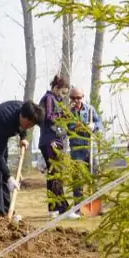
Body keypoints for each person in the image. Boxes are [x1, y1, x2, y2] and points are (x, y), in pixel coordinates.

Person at [0, 100, 43, 216]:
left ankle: (8, 211)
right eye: (28, 125)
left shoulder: (26, 110)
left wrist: (23, 137)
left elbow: (23, 127)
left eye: (31, 126)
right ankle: (0, 215)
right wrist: (9, 177)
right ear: (22, 116)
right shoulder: (4, 120)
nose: (28, 127)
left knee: (3, 171)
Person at [38, 75, 79, 219]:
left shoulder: (55, 99)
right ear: (56, 88)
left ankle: (53, 208)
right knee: (57, 175)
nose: (63, 96)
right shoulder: (49, 98)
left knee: (53, 176)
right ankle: (63, 209)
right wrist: (65, 112)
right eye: (62, 93)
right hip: (51, 141)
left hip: (53, 140)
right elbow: (50, 117)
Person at [68, 87, 103, 204]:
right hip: (76, 150)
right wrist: (77, 127)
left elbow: (100, 123)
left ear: (83, 97)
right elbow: (64, 128)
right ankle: (78, 207)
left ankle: (95, 204)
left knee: (94, 176)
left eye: (78, 98)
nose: (76, 101)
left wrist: (94, 126)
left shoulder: (90, 110)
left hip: (90, 147)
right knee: (77, 179)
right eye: (73, 98)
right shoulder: (67, 112)